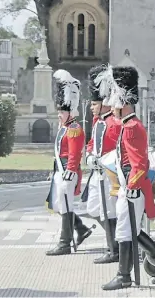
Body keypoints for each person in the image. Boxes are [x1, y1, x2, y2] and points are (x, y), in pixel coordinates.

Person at [102, 66, 155, 290]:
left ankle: (124, 276)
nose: (111, 106)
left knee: (125, 230)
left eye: (115, 101)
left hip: (133, 187)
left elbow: (139, 164)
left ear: (123, 102)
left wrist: (131, 186)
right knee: (127, 230)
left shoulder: (132, 127)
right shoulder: (128, 125)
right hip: (130, 186)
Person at [45, 69, 92, 256]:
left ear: (70, 111)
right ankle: (80, 229)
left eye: (61, 112)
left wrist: (71, 170)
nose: (59, 114)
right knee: (58, 205)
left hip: (67, 172)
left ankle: (64, 243)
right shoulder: (64, 127)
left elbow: (74, 153)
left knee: (65, 205)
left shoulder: (73, 128)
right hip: (60, 170)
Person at [84, 65, 121, 264]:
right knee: (94, 209)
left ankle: (113, 249)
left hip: (109, 173)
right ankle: (113, 244)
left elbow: (117, 150)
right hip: (97, 172)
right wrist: (90, 154)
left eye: (94, 104)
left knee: (108, 211)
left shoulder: (115, 124)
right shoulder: (99, 122)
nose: (91, 107)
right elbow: (92, 142)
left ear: (105, 103)